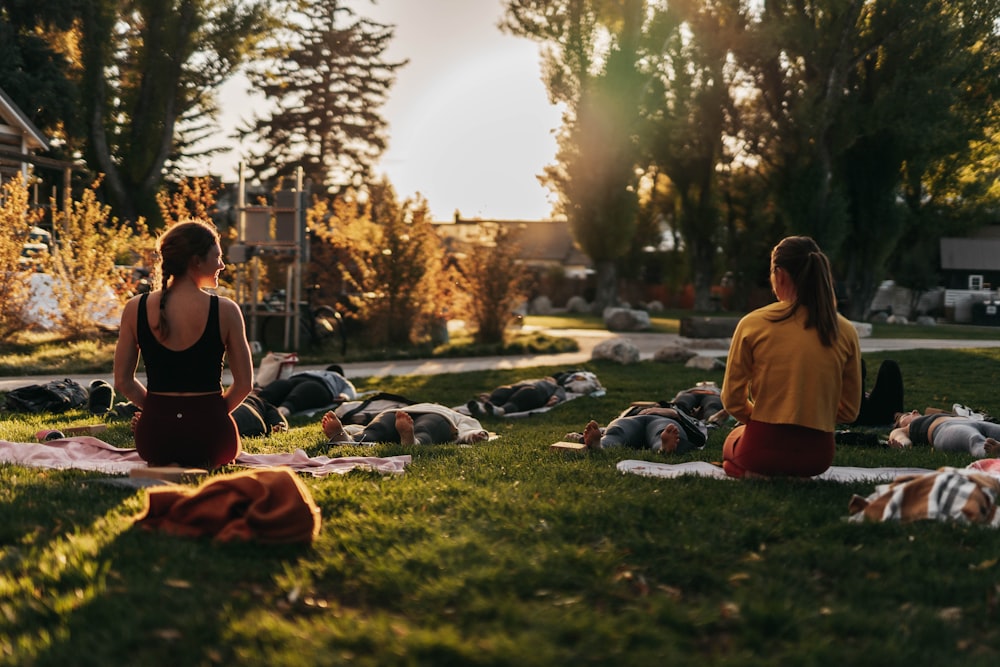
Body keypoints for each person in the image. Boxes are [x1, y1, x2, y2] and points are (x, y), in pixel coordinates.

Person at [113, 220, 253, 468]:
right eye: (217, 256)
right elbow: (244, 384)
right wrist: (212, 412)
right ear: (196, 260)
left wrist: (158, 408)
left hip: (155, 441)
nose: (222, 264)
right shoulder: (226, 310)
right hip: (213, 441)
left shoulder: (135, 308)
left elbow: (123, 382)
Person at [720, 236, 863, 478]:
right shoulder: (845, 330)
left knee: (732, 440)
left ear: (780, 274)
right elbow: (849, 411)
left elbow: (732, 400)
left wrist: (761, 419)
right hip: (817, 457)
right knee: (750, 446)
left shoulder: (753, 323)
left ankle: (751, 471)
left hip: (762, 448)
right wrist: (813, 413)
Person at [321, 403, 489, 445]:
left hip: (400, 414)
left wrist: (473, 435)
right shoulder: (451, 412)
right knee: (377, 428)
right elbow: (471, 428)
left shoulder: (453, 413)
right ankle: (345, 438)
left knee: (376, 429)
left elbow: (471, 429)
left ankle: (350, 439)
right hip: (402, 414)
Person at [576, 404, 705, 454]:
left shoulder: (675, 411)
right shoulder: (633, 408)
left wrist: (673, 412)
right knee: (616, 431)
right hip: (632, 420)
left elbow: (699, 438)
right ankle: (598, 446)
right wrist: (581, 435)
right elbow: (611, 424)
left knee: (661, 432)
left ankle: (664, 448)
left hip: (662, 420)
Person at [466, 370, 603, 417]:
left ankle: (501, 410)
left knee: (524, 395)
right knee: (504, 390)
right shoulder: (540, 380)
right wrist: (492, 395)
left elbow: (560, 394)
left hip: (536, 393)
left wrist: (554, 399)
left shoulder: (556, 387)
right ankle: (485, 408)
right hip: (524, 387)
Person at [255, 364, 357, 418]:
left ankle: (276, 414)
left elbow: (350, 390)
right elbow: (350, 389)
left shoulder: (339, 378)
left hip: (320, 386)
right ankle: (254, 406)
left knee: (296, 396)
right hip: (297, 380)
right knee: (277, 389)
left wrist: (344, 396)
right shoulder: (323, 373)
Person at [889, 410, 1000, 458]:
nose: (914, 411)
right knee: (974, 439)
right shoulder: (903, 430)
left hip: (974, 422)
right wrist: (902, 446)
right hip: (945, 429)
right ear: (900, 425)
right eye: (906, 415)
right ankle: (990, 452)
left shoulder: (932, 415)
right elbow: (902, 440)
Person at [850, 359, 904, 427]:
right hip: (855, 414)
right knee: (856, 363)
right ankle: (897, 417)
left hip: (879, 414)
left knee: (889, 365)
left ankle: (898, 417)